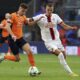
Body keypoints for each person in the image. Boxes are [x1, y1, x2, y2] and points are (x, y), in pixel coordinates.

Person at [28, 3, 79, 76]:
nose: (49, 11)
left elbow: (64, 26)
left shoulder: (55, 16)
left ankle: (55, 54)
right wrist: (37, 20)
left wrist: (71, 28)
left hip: (57, 41)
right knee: (60, 54)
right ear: (45, 9)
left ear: (53, 10)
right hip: (49, 42)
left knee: (64, 55)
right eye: (48, 10)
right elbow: (29, 23)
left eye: (51, 10)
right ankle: (70, 73)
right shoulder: (40, 16)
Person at [0, 3, 41, 75]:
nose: (23, 12)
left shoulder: (24, 17)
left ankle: (33, 68)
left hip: (20, 38)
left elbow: (29, 24)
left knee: (29, 51)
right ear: (19, 8)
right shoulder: (12, 16)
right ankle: (4, 57)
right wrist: (12, 35)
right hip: (12, 40)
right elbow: (8, 26)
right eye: (22, 11)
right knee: (17, 59)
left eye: (25, 11)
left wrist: (38, 20)